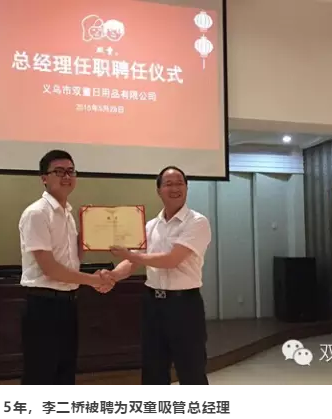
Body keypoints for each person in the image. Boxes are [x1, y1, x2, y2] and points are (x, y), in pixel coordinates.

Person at [107, 166, 212, 385]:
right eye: (168, 184)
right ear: (158, 190)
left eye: (180, 183)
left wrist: (130, 255)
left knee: (191, 371)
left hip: (184, 305)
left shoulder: (197, 222)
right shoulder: (150, 226)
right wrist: (112, 276)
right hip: (152, 303)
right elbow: (133, 260)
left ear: (187, 188)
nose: (175, 188)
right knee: (153, 370)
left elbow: (171, 260)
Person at [19, 149, 115, 385]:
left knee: (65, 374)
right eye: (59, 171)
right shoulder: (37, 213)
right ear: (44, 178)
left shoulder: (69, 214)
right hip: (43, 306)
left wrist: (91, 233)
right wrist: (94, 280)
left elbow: (73, 259)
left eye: (71, 171)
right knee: (41, 376)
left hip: (68, 303)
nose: (66, 176)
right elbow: (50, 269)